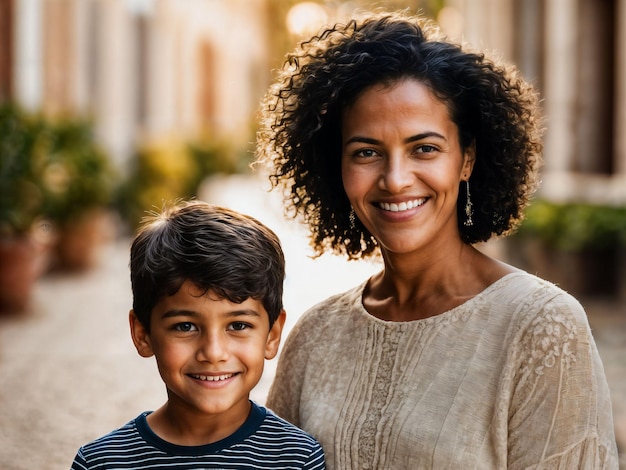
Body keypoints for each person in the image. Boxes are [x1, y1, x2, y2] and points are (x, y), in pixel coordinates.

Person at [255, 11, 619, 469]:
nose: (395, 179)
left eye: (424, 148)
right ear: (336, 168)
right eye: (366, 152)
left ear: (466, 159)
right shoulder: (315, 336)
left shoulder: (542, 327)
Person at [70, 200, 325, 469]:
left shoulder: (297, 459)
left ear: (272, 335)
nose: (213, 353)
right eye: (185, 326)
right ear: (143, 334)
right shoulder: (102, 463)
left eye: (238, 326)